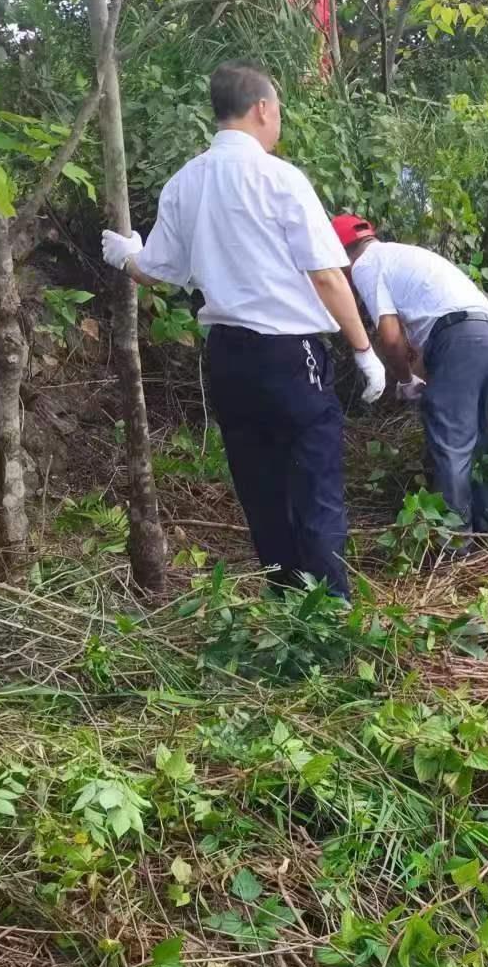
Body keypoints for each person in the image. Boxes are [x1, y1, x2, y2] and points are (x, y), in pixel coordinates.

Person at [101, 60, 383, 599]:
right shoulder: (280, 179)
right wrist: (364, 351)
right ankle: (331, 616)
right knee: (314, 483)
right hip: (289, 353)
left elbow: (158, 272)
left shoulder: (185, 182)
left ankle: (284, 610)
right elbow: (326, 273)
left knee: (261, 489)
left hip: (228, 358)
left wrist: (125, 257)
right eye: (277, 110)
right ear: (261, 109)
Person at [332, 215, 488, 542]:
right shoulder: (400, 255)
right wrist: (420, 374)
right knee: (477, 439)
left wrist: (404, 380)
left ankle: (454, 548)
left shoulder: (366, 265)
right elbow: (428, 340)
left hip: (462, 338)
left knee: (450, 442)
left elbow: (390, 337)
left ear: (341, 255)